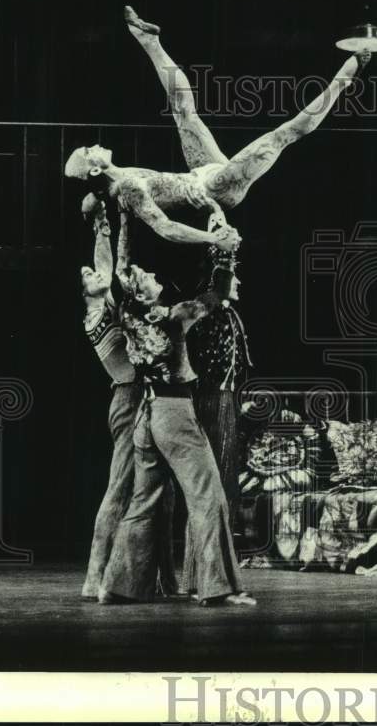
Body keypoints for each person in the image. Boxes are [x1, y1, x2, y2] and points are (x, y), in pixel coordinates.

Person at [64, 6, 368, 245]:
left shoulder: (121, 185)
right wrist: (213, 238)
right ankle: (348, 73)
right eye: (89, 151)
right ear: (94, 169)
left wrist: (119, 264)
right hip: (218, 188)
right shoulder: (126, 188)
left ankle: (149, 41)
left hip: (201, 173)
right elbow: (165, 228)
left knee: (183, 112)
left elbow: (124, 245)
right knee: (281, 136)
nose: (95, 145)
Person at [97, 211, 254, 607]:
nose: (151, 275)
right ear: (146, 294)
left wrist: (124, 221)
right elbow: (216, 295)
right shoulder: (173, 318)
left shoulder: (128, 315)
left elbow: (121, 268)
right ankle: (221, 588)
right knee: (208, 497)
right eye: (148, 278)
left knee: (143, 501)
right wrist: (225, 252)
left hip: (146, 418)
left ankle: (116, 586)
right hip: (174, 415)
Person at [78, 200, 177, 599]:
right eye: (86, 276)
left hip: (147, 397)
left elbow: (105, 267)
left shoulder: (109, 307)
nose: (92, 274)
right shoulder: (95, 316)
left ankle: (165, 578)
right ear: (85, 291)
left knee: (162, 491)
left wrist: (104, 223)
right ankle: (94, 575)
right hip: (129, 398)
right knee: (120, 487)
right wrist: (105, 227)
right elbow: (103, 275)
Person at [181, 241, 254, 591]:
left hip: (225, 402)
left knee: (225, 486)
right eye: (233, 277)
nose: (238, 283)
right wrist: (221, 250)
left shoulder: (226, 314)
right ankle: (202, 574)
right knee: (210, 488)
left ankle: (215, 572)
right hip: (208, 401)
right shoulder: (209, 312)